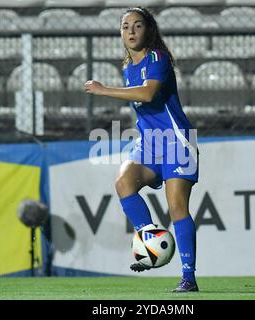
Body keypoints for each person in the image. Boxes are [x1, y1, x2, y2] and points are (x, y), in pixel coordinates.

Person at [84, 7, 199, 293]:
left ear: (149, 30)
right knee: (124, 182)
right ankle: (150, 245)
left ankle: (189, 278)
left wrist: (103, 89)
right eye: (125, 27)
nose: (131, 31)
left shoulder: (158, 58)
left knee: (176, 207)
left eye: (137, 25)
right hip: (148, 142)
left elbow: (147, 93)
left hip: (176, 141)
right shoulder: (128, 67)